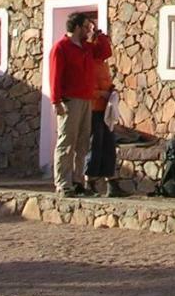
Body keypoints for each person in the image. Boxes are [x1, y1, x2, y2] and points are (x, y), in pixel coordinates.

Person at [49, 12, 111, 197]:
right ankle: (62, 183)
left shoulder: (86, 47)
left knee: (83, 143)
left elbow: (105, 52)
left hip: (86, 100)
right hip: (70, 100)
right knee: (67, 142)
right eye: (85, 27)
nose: (88, 30)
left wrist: (99, 35)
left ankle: (77, 181)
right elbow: (55, 76)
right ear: (77, 27)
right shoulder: (61, 48)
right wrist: (56, 100)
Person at [84, 20, 126, 197]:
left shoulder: (101, 63)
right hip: (93, 108)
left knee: (108, 144)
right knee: (95, 144)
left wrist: (110, 91)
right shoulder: (89, 62)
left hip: (104, 108)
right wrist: (102, 94)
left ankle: (111, 182)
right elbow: (87, 89)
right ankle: (89, 181)